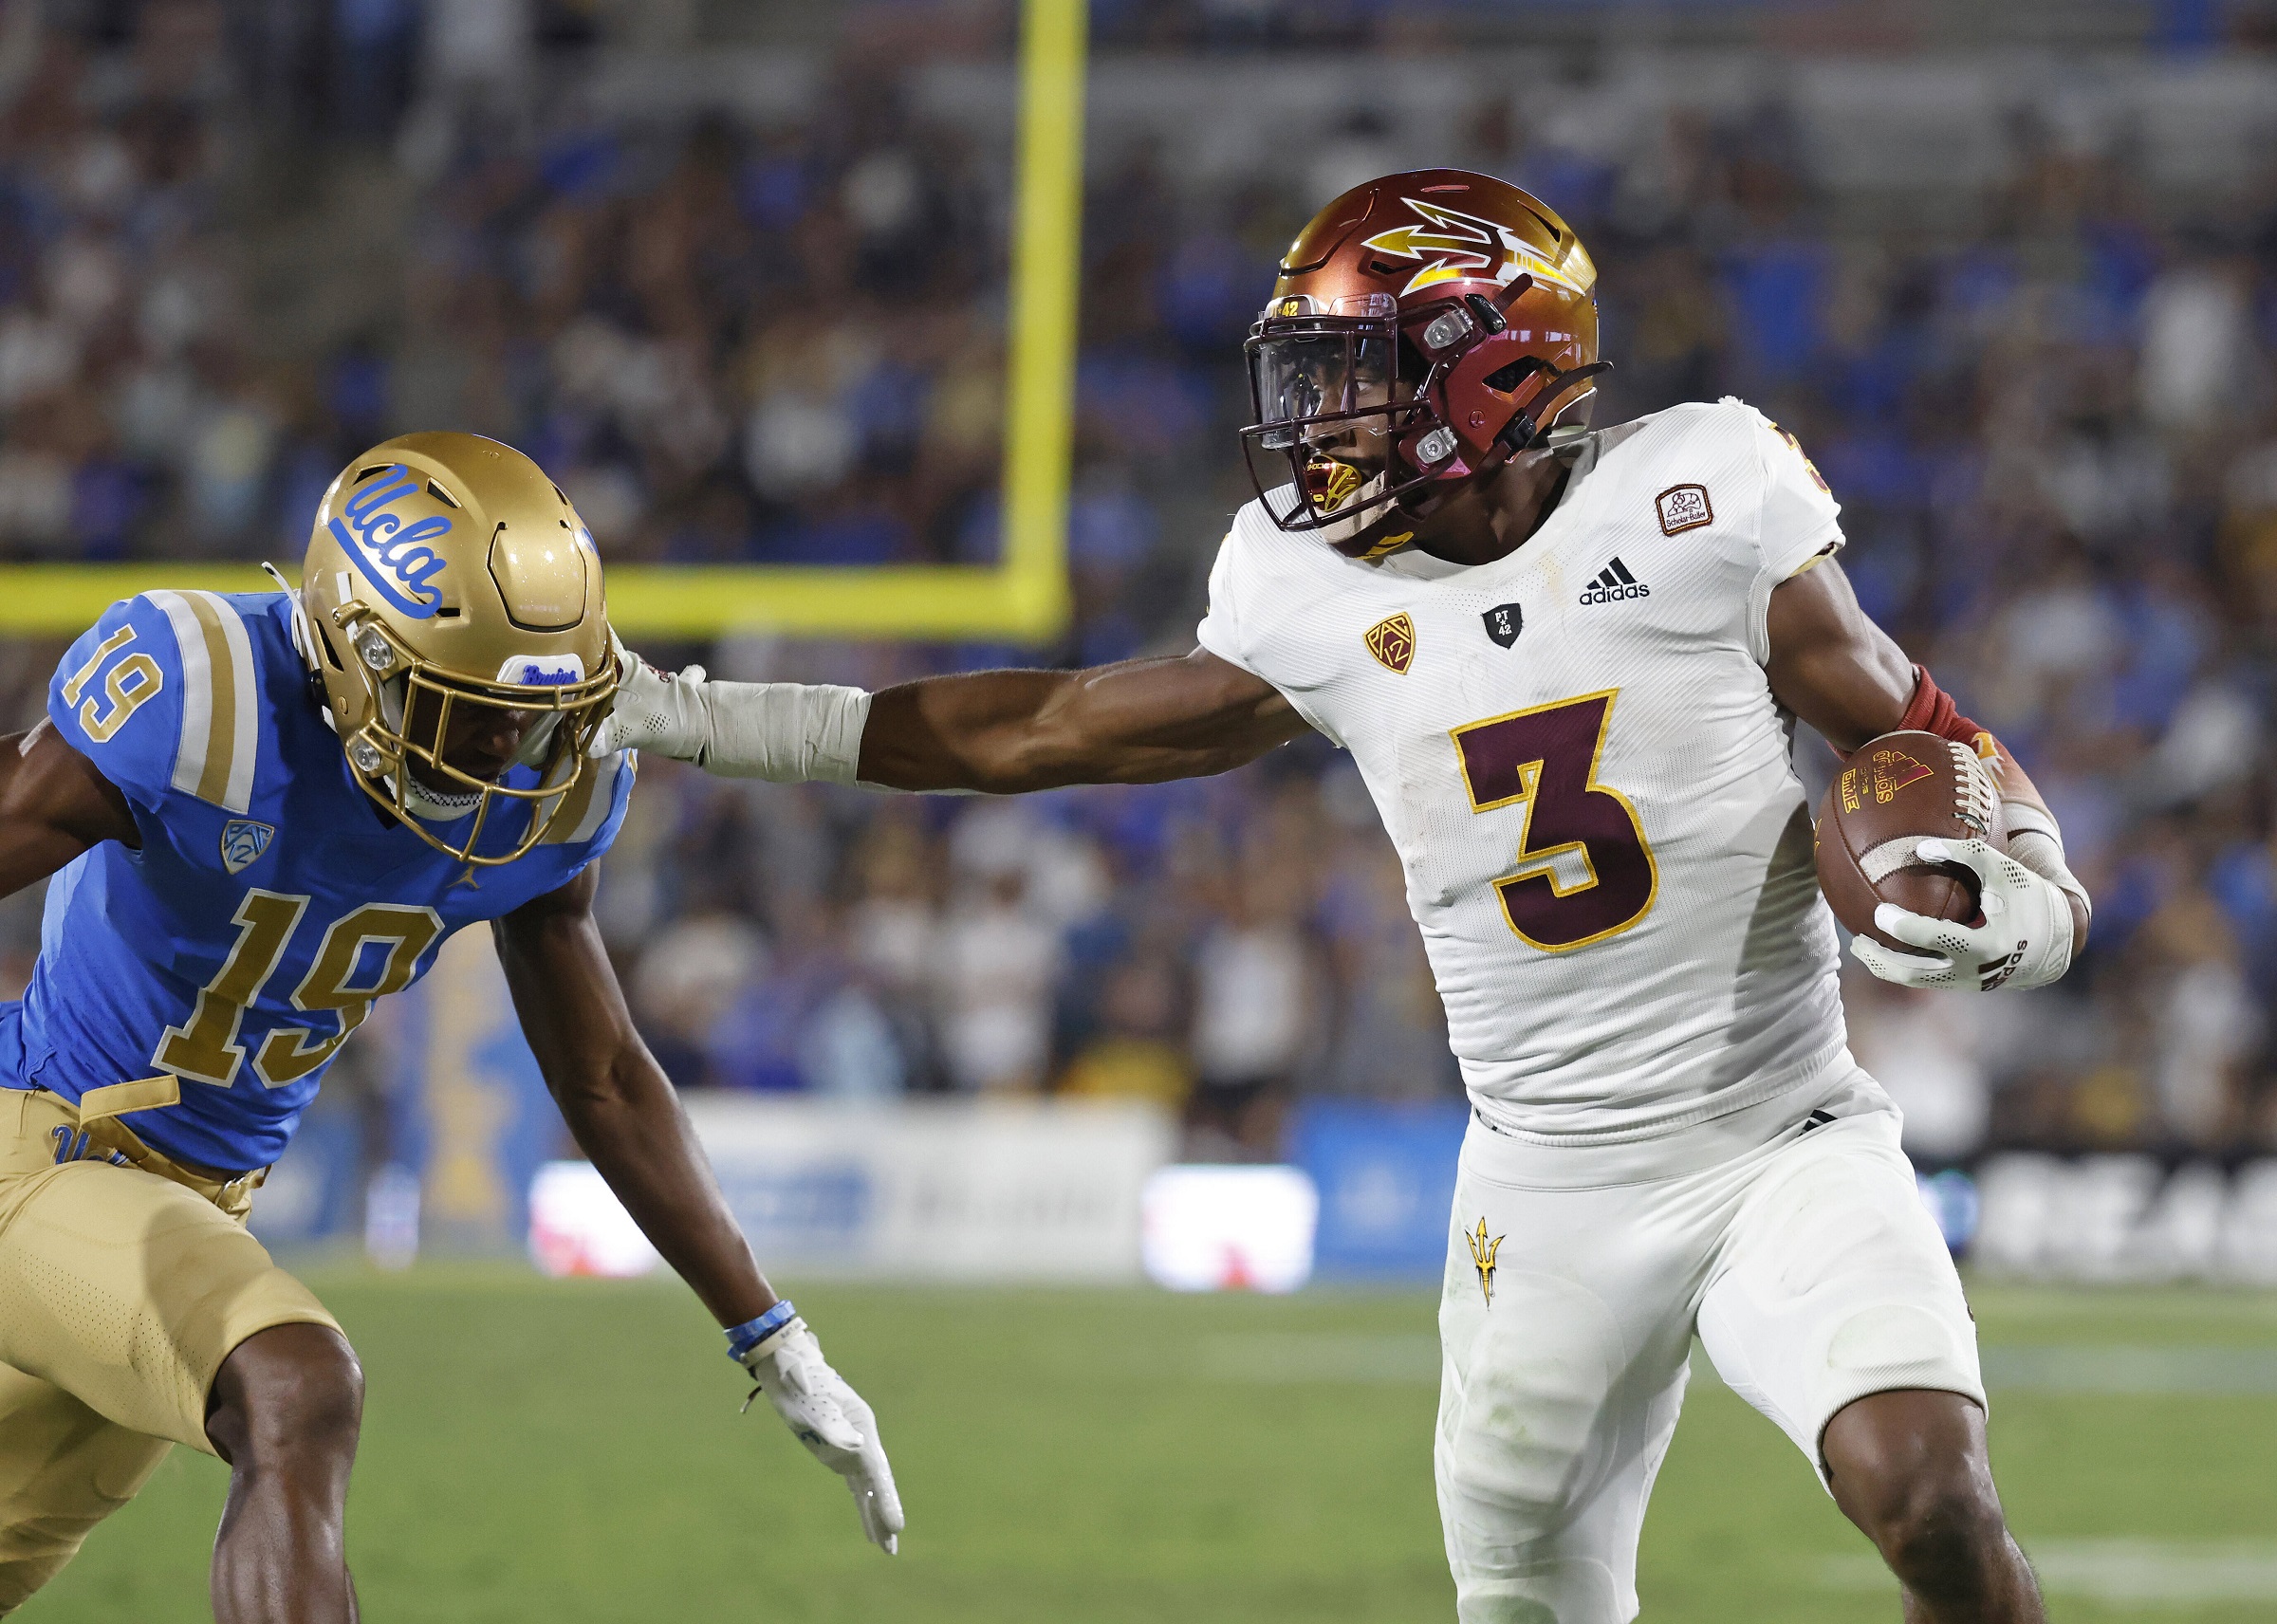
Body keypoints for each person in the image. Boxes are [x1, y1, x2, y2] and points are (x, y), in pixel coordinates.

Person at [599, 172, 2092, 1623]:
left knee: (1931, 1496)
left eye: (1357, 373)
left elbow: (1928, 730)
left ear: (1494, 366)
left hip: (1784, 1134)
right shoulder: (1309, 589)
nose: (1320, 419)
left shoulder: (1700, 496)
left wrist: (2040, 903)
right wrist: (700, 719)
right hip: (1546, 1183)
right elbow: (1042, 731)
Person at [0, 434, 900, 1621]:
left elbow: (607, 1075)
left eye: (525, 717)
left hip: (197, 1206)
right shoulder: (203, 688)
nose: (502, 753)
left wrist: (771, 1333)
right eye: (460, 709)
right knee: (297, 1383)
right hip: (42, 1150)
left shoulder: (552, 782)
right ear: (350, 645)